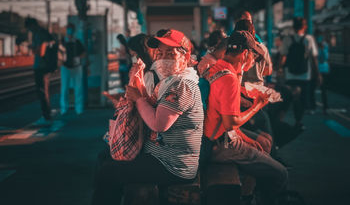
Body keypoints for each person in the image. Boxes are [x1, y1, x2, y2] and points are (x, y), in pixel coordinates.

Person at [91, 29, 204, 205]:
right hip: (161, 156)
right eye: (160, 53)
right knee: (106, 158)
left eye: (170, 53)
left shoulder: (181, 85)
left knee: (108, 172)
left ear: (185, 56)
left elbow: (159, 124)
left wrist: (138, 99)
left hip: (173, 165)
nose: (163, 57)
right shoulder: (171, 81)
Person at [204, 31, 288, 205]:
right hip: (223, 145)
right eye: (253, 56)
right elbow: (231, 122)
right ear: (245, 54)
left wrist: (246, 137)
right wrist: (258, 105)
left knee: (261, 146)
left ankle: (249, 197)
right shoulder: (229, 79)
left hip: (216, 140)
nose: (254, 61)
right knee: (281, 173)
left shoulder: (217, 68)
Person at [279, 17, 321, 128]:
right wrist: (317, 74)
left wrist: (279, 70)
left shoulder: (288, 39)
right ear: (305, 26)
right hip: (305, 75)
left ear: (293, 27)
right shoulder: (309, 39)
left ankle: (281, 119)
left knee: (288, 97)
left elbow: (283, 56)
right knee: (302, 99)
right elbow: (314, 58)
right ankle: (298, 121)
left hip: (290, 74)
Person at [25, 17, 54, 124]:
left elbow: (41, 52)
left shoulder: (40, 34)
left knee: (42, 91)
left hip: (42, 66)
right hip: (43, 66)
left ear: (32, 25)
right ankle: (47, 114)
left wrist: (32, 48)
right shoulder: (41, 33)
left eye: (29, 28)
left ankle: (47, 115)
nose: (29, 31)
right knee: (43, 91)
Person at [59, 23, 85, 116]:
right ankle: (64, 109)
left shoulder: (77, 41)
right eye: (68, 29)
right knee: (64, 88)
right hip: (65, 67)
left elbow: (83, 53)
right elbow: (59, 52)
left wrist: (78, 58)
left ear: (73, 31)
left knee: (78, 88)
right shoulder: (62, 41)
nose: (69, 31)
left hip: (76, 66)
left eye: (71, 29)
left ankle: (79, 108)